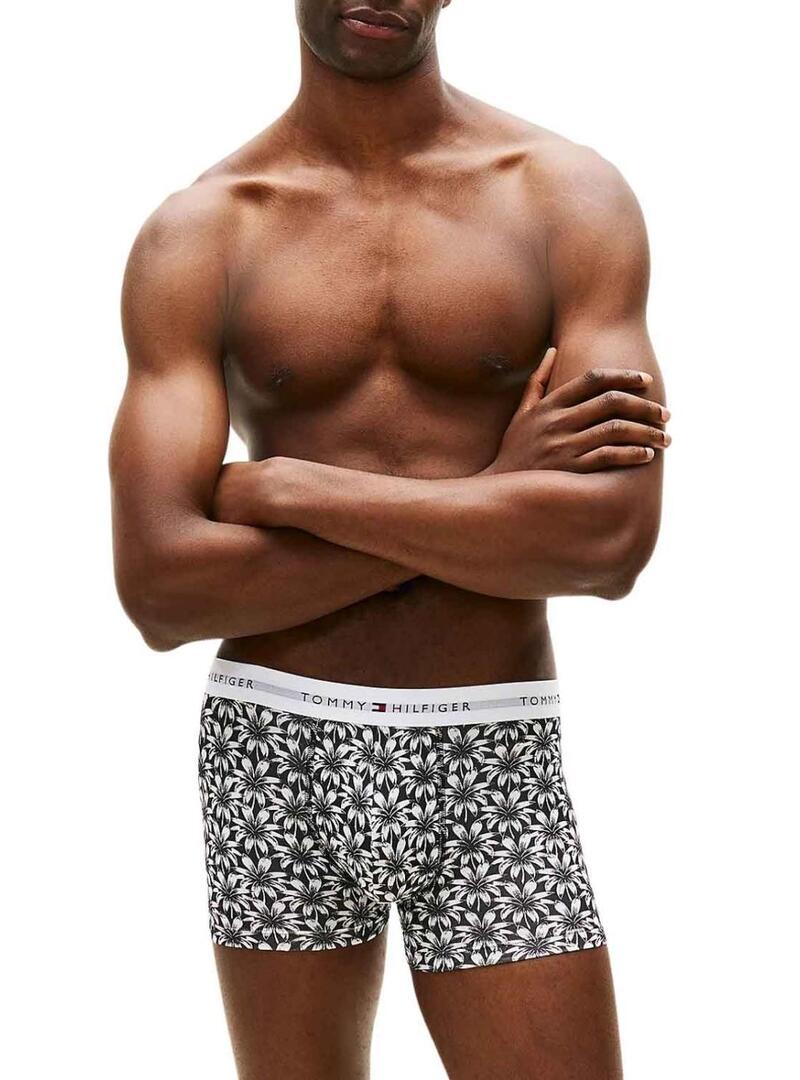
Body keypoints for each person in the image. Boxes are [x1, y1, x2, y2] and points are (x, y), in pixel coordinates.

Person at [109, 2, 670, 1076]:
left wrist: (290, 487)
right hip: (275, 750)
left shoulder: (562, 196)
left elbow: (607, 544)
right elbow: (161, 588)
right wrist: (498, 496)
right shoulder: (204, 230)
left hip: (490, 751)